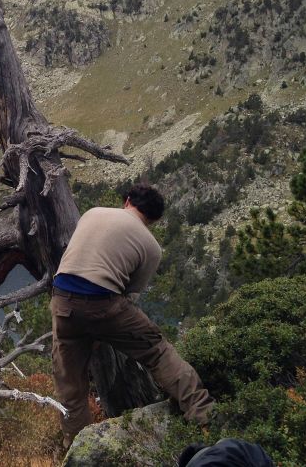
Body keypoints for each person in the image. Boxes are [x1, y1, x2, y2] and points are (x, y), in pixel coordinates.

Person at [51, 183, 215, 447]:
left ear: (127, 200)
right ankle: (202, 415)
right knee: (157, 351)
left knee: (70, 382)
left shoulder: (92, 213)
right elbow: (128, 293)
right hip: (103, 303)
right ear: (154, 219)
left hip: (62, 302)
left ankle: (75, 445)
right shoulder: (151, 247)